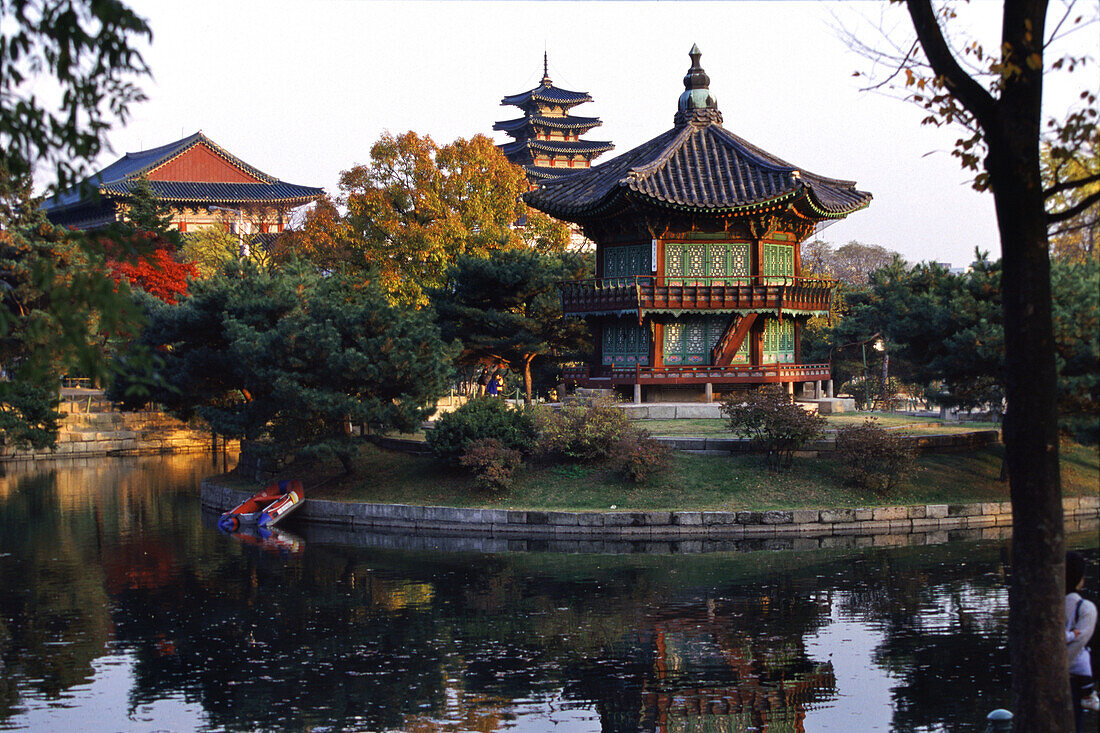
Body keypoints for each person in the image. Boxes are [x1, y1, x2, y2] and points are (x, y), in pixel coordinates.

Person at [1066, 550, 1098, 732]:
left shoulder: (1041, 605)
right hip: (1073, 680)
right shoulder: (1085, 608)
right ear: (1080, 578)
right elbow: (1078, 645)